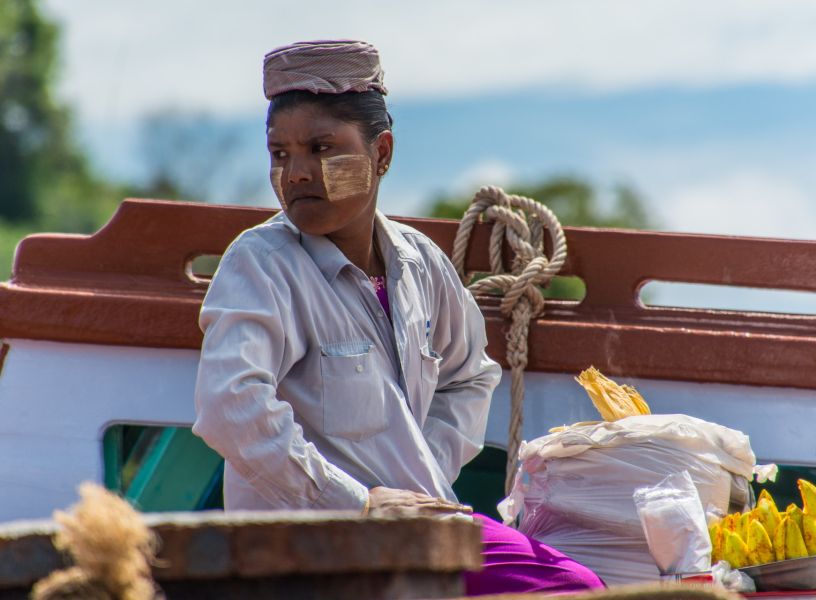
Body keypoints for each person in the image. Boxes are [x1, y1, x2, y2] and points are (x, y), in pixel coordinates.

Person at [192, 39, 603, 596]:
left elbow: (470, 376)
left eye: (320, 148)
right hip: (307, 551)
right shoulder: (261, 264)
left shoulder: (420, 261)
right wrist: (358, 505)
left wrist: (417, 474)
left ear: (381, 153)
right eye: (280, 154)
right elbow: (230, 407)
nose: (296, 174)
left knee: (575, 585)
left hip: (420, 532)